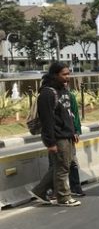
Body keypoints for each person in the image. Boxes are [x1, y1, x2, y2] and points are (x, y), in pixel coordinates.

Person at [29, 62, 81, 207]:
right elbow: (47, 121)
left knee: (60, 166)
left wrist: (74, 131)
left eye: (68, 74)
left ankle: (40, 191)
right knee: (63, 168)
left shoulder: (63, 90)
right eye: (64, 74)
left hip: (67, 134)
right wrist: (50, 143)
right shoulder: (47, 93)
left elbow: (68, 115)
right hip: (58, 137)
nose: (68, 77)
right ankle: (63, 197)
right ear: (55, 75)